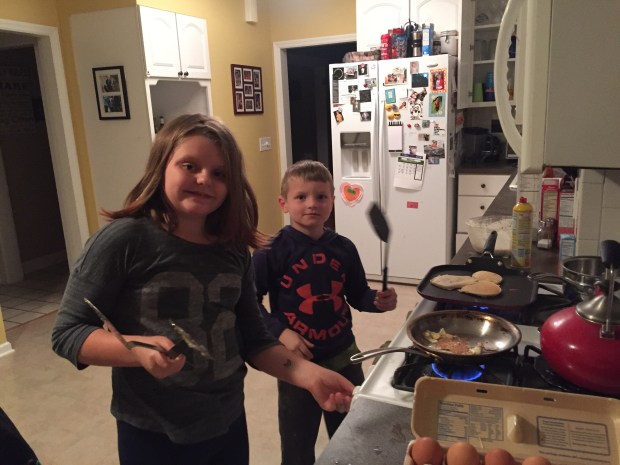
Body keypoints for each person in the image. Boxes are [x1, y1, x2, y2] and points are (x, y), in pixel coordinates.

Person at [51, 115, 353, 465]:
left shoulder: (233, 249)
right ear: (161, 166)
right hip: (151, 431)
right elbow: (68, 332)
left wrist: (308, 374)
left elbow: (255, 340)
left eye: (219, 173)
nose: (204, 179)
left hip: (227, 421)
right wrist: (135, 349)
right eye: (189, 165)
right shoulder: (123, 241)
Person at [253, 160, 398, 465]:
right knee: (297, 445)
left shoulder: (344, 248)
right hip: (297, 364)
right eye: (301, 196)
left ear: (332, 200)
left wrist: (377, 301)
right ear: (283, 203)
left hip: (344, 356)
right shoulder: (270, 251)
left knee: (352, 435)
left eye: (321, 196)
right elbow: (250, 303)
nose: (312, 204)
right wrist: (281, 332)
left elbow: (357, 294)